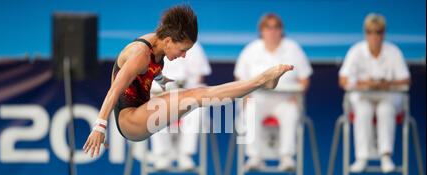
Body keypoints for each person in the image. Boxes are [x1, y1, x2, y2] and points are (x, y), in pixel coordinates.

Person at [83, 5, 294, 157]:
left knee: (196, 95)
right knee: (196, 95)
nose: (183, 56)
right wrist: (100, 126)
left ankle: (259, 83)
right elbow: (114, 90)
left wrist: (160, 78)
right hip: (129, 121)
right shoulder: (140, 54)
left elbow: (147, 72)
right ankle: (260, 82)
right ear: (168, 41)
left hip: (141, 109)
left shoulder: (158, 45)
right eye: (182, 50)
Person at [234, 13, 312, 171]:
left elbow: (304, 78)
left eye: (276, 27)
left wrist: (297, 96)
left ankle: (287, 157)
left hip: (285, 99)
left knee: (290, 111)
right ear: (261, 30)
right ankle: (254, 157)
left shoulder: (292, 48)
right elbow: (239, 78)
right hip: (259, 98)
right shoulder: (251, 49)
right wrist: (246, 96)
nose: (272, 31)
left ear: (281, 30)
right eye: (268, 27)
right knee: (250, 109)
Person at [339, 13, 411, 173]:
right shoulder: (356, 51)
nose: (374, 36)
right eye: (370, 31)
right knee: (363, 110)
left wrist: (388, 83)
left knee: (385, 110)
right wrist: (364, 83)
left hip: (387, 96)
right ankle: (361, 157)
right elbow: (343, 80)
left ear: (383, 33)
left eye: (378, 32)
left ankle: (385, 156)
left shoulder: (393, 52)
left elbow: (406, 80)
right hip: (363, 96)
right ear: (365, 32)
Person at [150, 41, 212, 170]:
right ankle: (163, 155)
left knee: (197, 109)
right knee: (155, 107)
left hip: (186, 96)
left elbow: (198, 79)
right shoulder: (153, 47)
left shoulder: (194, 48)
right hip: (161, 95)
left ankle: (185, 154)